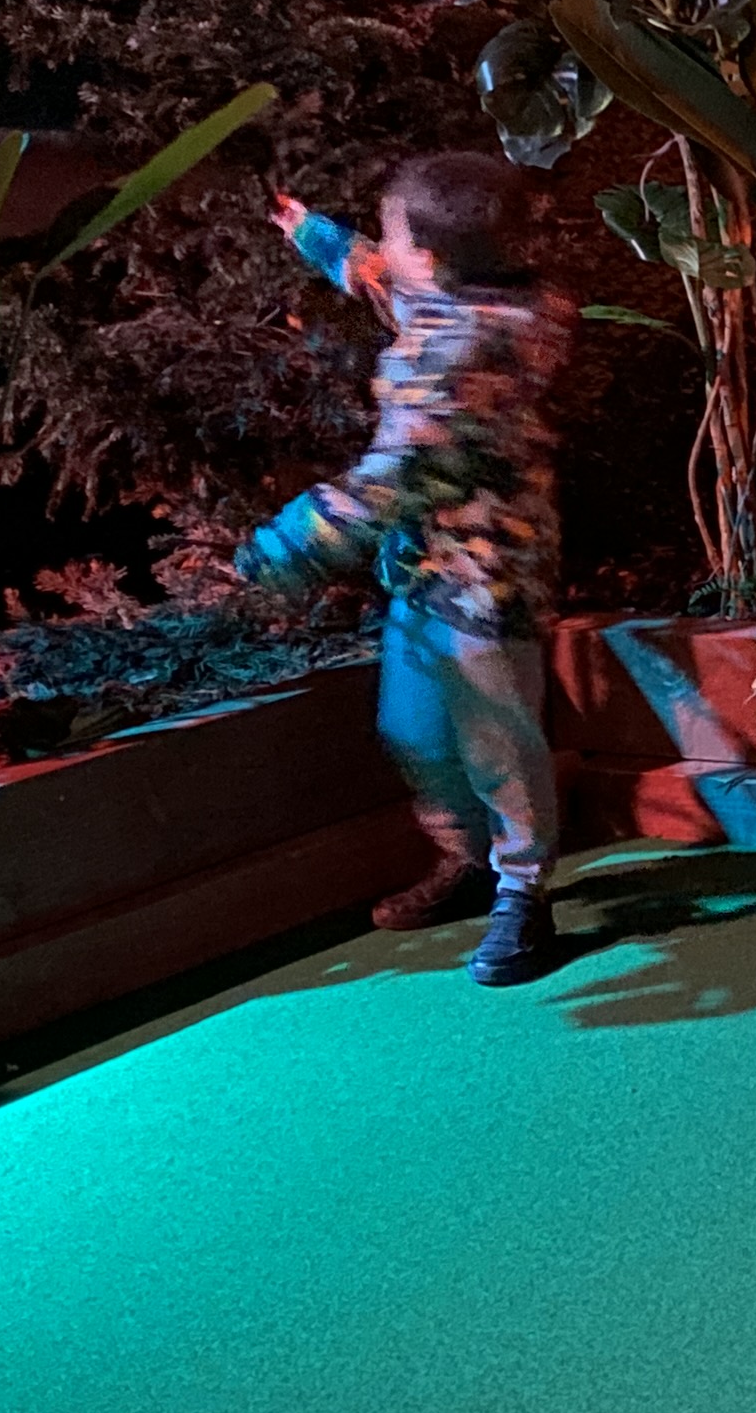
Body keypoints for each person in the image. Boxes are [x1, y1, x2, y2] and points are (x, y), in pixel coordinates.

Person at [238, 153, 580, 987]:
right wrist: (312, 232)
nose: (383, 248)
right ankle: (468, 861)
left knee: (499, 740)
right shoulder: (460, 295)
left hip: (486, 576)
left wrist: (288, 544)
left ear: (430, 257)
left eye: (392, 231)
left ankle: (523, 889)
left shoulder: (462, 357)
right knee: (413, 728)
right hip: (425, 571)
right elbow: (385, 280)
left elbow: (391, 481)